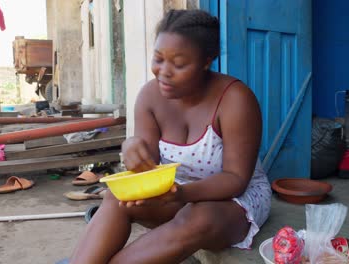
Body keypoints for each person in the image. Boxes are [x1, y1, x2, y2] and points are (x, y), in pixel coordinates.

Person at [70, 9, 271, 264]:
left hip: (234, 199)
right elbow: (148, 167)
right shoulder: (149, 97)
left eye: (178, 64)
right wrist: (132, 148)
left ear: (206, 61)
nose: (164, 71)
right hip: (174, 192)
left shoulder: (235, 100)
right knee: (115, 196)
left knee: (198, 218)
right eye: (158, 59)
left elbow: (235, 179)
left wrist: (182, 195)